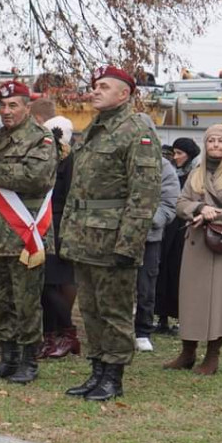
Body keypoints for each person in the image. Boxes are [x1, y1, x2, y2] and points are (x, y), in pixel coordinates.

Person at [59, 65, 160, 401]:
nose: (95, 90)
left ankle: (113, 376)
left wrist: (128, 244)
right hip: (84, 238)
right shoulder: (93, 130)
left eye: (104, 86)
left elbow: (143, 193)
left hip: (113, 239)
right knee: (90, 308)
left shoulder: (136, 130)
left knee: (114, 311)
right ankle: (97, 369)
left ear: (124, 94)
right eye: (94, 85)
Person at [0, 81, 57, 383]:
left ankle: (28, 359)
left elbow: (37, 177)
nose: (6, 111)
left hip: (26, 234)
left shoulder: (40, 138)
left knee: (26, 300)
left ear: (27, 107)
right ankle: (7, 356)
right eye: (3, 106)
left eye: (13, 105)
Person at [164, 125, 222, 374]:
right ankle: (187, 352)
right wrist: (200, 208)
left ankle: (213, 355)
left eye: (221, 141)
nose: (215, 145)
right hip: (196, 244)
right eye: (211, 140)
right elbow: (181, 203)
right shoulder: (196, 173)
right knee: (191, 299)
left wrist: (215, 214)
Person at [34, 112, 80, 359]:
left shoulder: (70, 161)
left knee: (55, 282)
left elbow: (73, 195)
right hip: (44, 222)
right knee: (46, 284)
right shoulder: (49, 159)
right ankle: (51, 335)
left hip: (61, 225)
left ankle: (67, 334)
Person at [134, 116, 179, 353]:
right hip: (115, 234)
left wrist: (150, 222)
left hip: (148, 237)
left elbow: (170, 201)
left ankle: (142, 330)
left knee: (146, 284)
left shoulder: (163, 166)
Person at [155, 136, 199, 334]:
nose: (176, 157)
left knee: (181, 274)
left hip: (186, 229)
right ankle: (162, 317)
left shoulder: (196, 175)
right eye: (174, 153)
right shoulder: (170, 172)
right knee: (163, 272)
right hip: (169, 229)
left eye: (180, 153)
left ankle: (183, 318)